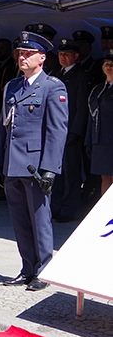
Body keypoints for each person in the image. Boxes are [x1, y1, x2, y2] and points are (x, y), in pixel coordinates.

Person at [0, 31, 68, 292]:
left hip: (35, 166)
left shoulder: (52, 87)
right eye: (20, 53)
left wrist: (50, 169)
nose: (22, 58)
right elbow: (3, 127)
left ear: (42, 58)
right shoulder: (12, 86)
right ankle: (27, 268)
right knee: (19, 220)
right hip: (13, 163)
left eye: (28, 54)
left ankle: (44, 270)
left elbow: (57, 131)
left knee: (40, 219)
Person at [49, 38, 90, 222]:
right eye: (60, 54)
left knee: (71, 173)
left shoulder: (81, 76)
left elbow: (82, 107)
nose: (63, 57)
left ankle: (68, 209)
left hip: (69, 132)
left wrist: (76, 131)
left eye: (67, 54)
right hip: (54, 131)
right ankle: (55, 206)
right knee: (55, 173)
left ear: (76, 56)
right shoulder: (55, 74)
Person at [87, 53, 113, 197]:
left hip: (111, 139)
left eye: (112, 64)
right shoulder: (98, 89)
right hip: (100, 140)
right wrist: (89, 140)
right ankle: (106, 213)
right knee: (104, 177)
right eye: (106, 64)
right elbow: (92, 117)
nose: (108, 67)